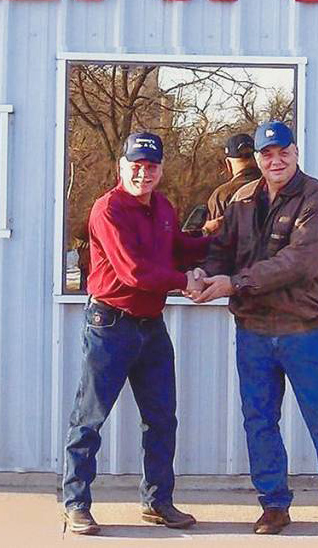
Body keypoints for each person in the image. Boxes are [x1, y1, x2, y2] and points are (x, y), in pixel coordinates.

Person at [193, 121, 318, 543]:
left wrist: (235, 283)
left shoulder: (315, 197)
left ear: (295, 153)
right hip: (252, 331)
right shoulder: (239, 201)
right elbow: (221, 251)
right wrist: (202, 272)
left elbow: (300, 261)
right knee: (259, 421)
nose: (276, 160)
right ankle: (274, 504)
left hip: (302, 331)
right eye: (267, 154)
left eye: (283, 152)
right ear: (255, 159)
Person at [62, 132, 208, 536]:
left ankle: (158, 502)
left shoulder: (162, 206)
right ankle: (76, 503)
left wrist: (217, 239)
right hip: (110, 324)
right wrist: (185, 281)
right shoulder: (107, 210)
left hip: (151, 326)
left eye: (151, 166)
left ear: (160, 169)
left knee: (162, 419)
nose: (143, 173)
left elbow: (176, 247)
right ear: (121, 167)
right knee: (89, 418)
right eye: (136, 166)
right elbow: (135, 272)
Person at [202, 133, 261, 234]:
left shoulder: (222, 195)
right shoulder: (272, 186)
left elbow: (213, 240)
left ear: (228, 164)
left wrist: (205, 231)